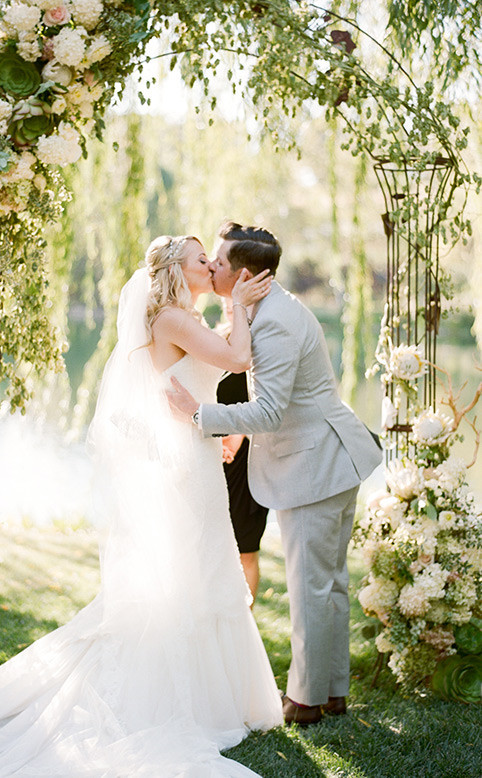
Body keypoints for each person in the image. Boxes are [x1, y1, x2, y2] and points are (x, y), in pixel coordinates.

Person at [0, 234, 282, 777]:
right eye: (200, 259)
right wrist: (242, 306)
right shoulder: (173, 319)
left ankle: (223, 699)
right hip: (187, 469)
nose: (211, 265)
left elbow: (219, 360)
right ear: (177, 272)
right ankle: (188, 700)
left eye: (211, 258)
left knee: (204, 573)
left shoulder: (183, 318)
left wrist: (224, 390)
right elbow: (238, 356)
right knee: (190, 575)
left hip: (196, 459)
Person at [167, 221, 383, 727]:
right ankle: (331, 691)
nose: (212, 269)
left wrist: (202, 415)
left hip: (317, 463)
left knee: (312, 584)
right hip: (325, 455)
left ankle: (306, 700)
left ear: (243, 274)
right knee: (326, 582)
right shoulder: (265, 309)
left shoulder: (276, 321)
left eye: (218, 263)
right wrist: (238, 431)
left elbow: (267, 411)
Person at [216, 299, 269, 604]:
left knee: (245, 549)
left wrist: (240, 435)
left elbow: (275, 408)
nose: (230, 306)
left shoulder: (265, 344)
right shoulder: (214, 340)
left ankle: (244, 625)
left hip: (249, 458)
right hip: (212, 455)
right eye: (225, 298)